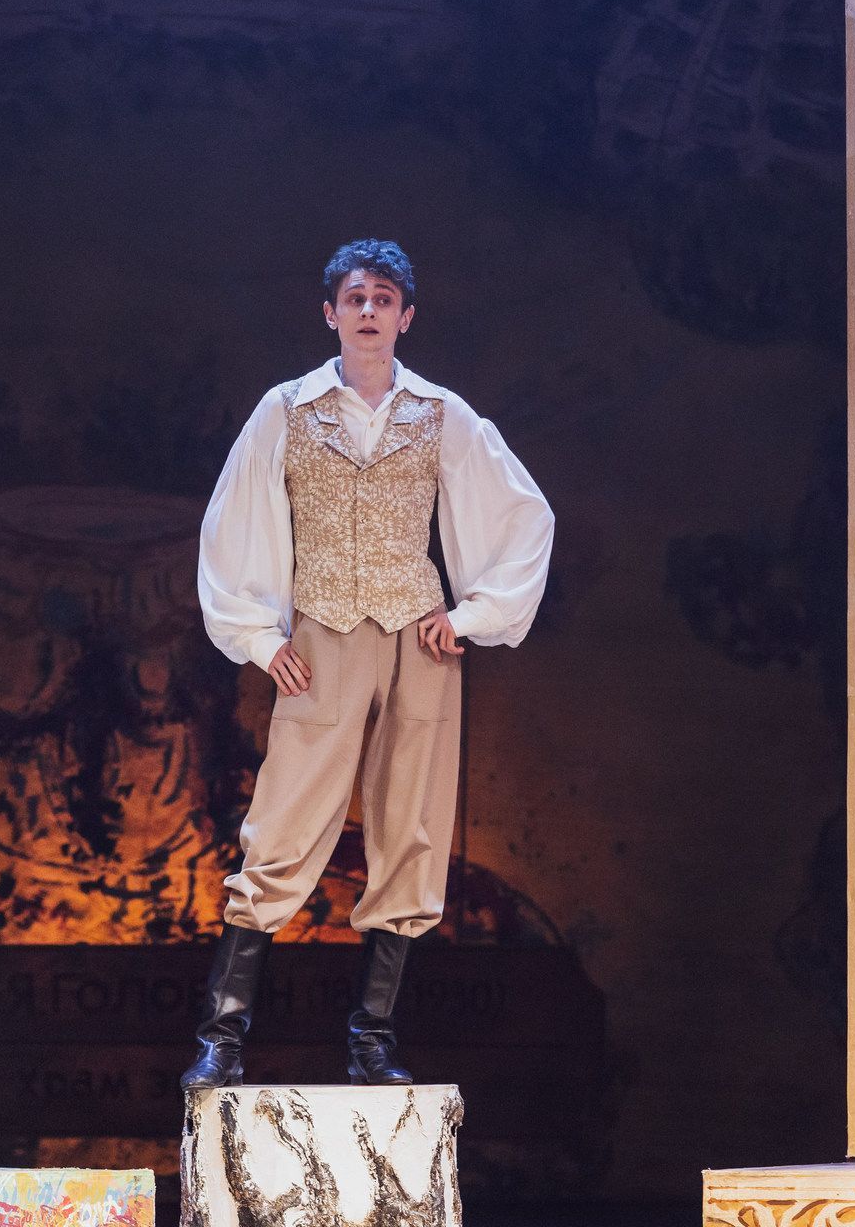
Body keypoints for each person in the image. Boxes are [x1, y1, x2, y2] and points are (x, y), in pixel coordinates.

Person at [184, 239, 554, 1089]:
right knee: (283, 824)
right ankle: (222, 1037)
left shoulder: (440, 412)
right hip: (323, 635)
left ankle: (372, 1042)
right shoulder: (287, 409)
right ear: (330, 312)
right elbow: (231, 518)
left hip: (418, 639)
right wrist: (262, 638)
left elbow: (523, 514)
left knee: (412, 826)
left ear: (405, 317)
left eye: (383, 299)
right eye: (355, 297)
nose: (368, 311)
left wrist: (469, 616)